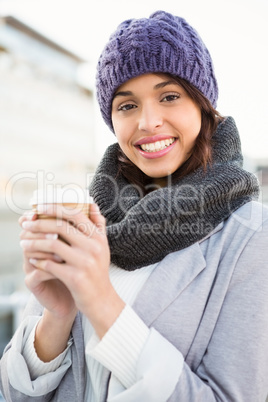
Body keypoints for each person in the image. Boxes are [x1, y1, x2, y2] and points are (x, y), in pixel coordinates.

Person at [1, 9, 268, 402]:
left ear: (203, 106)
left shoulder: (251, 235)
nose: (148, 121)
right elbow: (13, 394)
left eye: (170, 97)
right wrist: (57, 317)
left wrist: (100, 302)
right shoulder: (88, 221)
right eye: (127, 106)